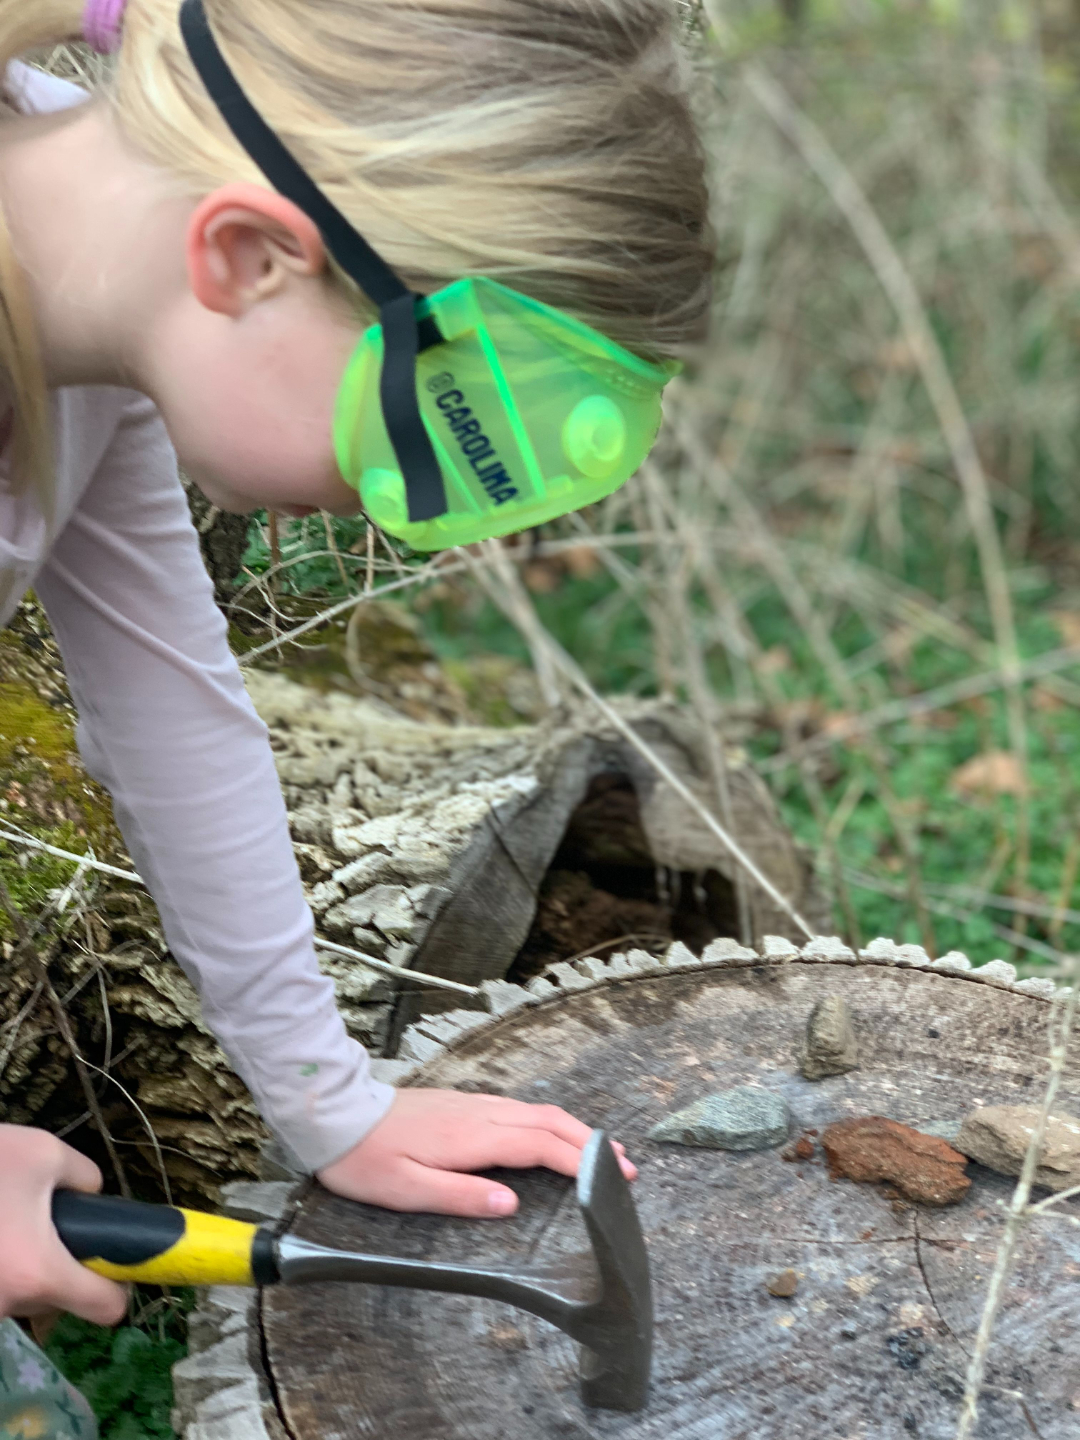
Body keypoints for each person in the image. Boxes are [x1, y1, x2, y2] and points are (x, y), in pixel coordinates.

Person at [0, 0, 710, 1432]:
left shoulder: (90, 309)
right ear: (245, 256)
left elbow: (171, 701)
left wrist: (330, 1098)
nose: (412, 511)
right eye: (425, 430)